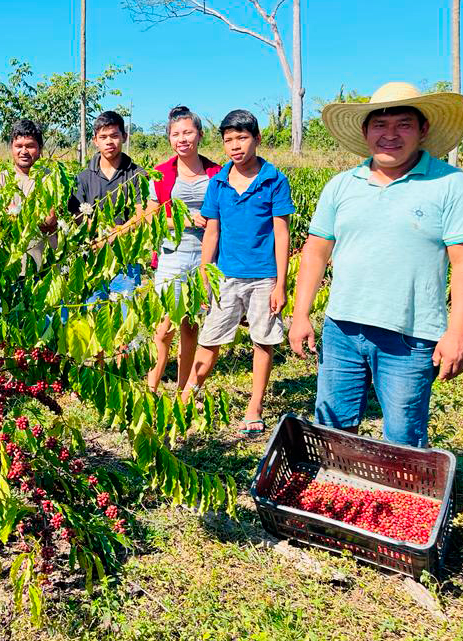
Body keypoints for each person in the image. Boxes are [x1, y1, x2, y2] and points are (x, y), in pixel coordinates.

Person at [289, 82, 463, 448]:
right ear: (365, 132)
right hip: (341, 328)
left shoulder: (451, 184)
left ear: (423, 130)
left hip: (410, 336)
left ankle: (401, 496)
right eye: (380, 124)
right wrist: (301, 314)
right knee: (333, 425)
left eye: (403, 124)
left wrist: (457, 334)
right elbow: (315, 251)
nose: (390, 135)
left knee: (403, 435)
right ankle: (340, 494)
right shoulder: (341, 185)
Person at [183, 110, 295, 435]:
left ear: (257, 139)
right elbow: (212, 232)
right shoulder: (218, 182)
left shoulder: (274, 180)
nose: (235, 145)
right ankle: (189, 394)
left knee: (263, 340)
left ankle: (254, 406)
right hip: (227, 275)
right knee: (210, 337)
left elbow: (282, 233)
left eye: (242, 138)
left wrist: (281, 284)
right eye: (229, 140)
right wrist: (206, 273)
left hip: (264, 277)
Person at [141, 106, 222, 392]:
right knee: (164, 328)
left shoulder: (217, 172)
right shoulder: (161, 173)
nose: (182, 139)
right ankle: (151, 385)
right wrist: (184, 219)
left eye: (188, 132)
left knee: (190, 325)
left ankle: (182, 389)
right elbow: (151, 216)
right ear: (169, 139)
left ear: (199, 135)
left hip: (205, 258)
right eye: (176, 134)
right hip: (172, 257)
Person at [68, 111, 147, 312]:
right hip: (93, 257)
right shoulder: (84, 177)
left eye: (114, 136)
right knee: (92, 313)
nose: (109, 142)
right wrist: (96, 235)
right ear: (95, 140)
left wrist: (114, 234)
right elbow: (76, 214)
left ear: (124, 137)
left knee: (124, 319)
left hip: (126, 259)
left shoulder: (137, 175)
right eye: (103, 137)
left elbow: (141, 214)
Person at [0, 119, 57, 271]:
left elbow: (50, 220)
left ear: (40, 148)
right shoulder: (1, 179)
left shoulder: (51, 179)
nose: (23, 151)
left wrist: (15, 212)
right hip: (8, 267)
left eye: (30, 146)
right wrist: (35, 216)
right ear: (11, 148)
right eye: (18, 146)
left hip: (44, 266)